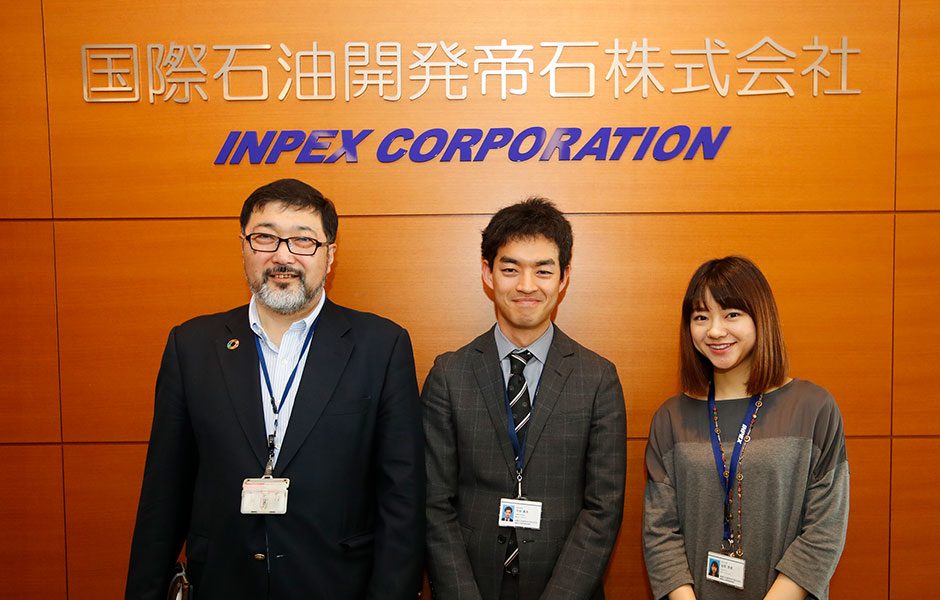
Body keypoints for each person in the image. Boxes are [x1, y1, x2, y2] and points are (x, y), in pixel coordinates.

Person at [125, 179, 424, 600]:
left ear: (330, 255)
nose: (283, 256)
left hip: (336, 584)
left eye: (303, 240)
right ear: (243, 247)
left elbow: (402, 498)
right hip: (223, 584)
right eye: (265, 237)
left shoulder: (381, 346)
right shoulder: (192, 346)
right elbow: (164, 494)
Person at [423, 197, 627, 600]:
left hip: (565, 586)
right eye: (510, 269)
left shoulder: (598, 378)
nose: (527, 285)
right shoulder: (449, 375)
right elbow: (434, 503)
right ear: (488, 272)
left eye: (543, 270)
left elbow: (603, 508)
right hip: (473, 584)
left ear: (564, 277)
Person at [643, 256, 849, 600]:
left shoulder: (813, 408)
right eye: (701, 317)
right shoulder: (670, 418)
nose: (715, 330)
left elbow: (825, 529)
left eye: (731, 314)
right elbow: (659, 532)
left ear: (760, 317)